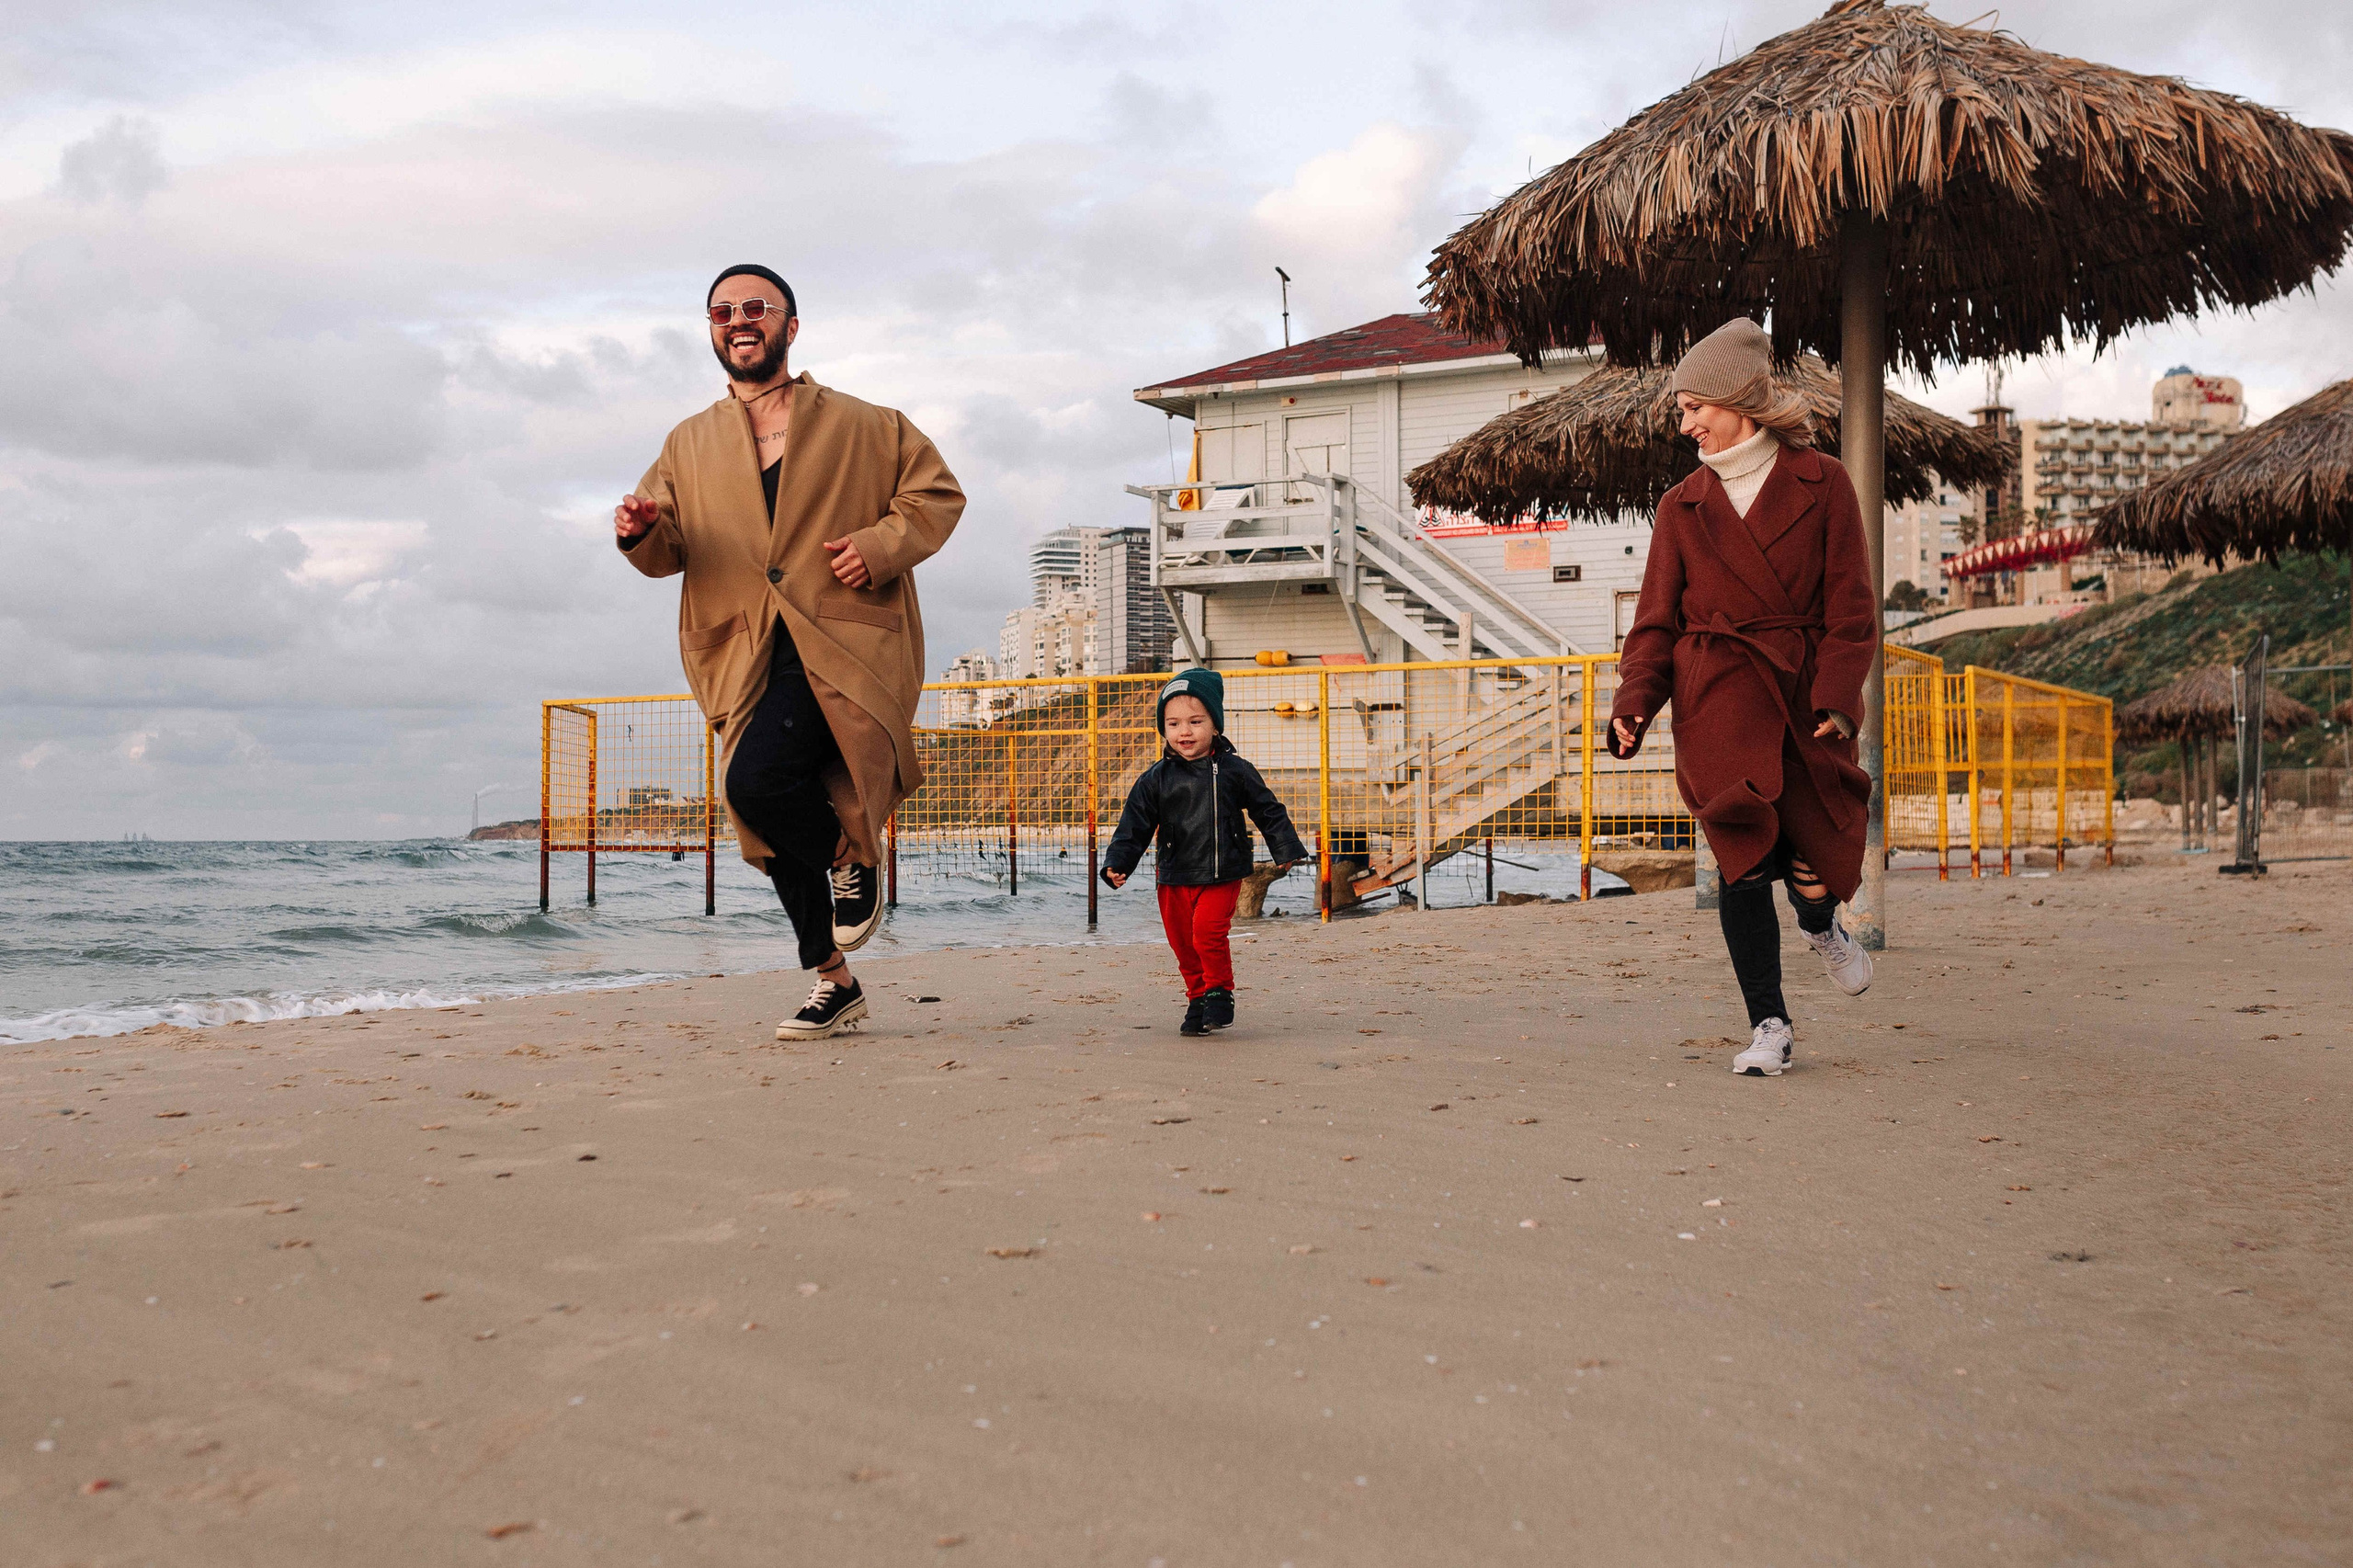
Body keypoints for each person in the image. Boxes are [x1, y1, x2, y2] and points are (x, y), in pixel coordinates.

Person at [615, 264, 963, 1040]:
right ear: (712, 330)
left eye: (756, 308)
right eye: (722, 311)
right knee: (761, 814)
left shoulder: (869, 424)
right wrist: (639, 531)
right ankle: (834, 982)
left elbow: (937, 496)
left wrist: (878, 545)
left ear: (790, 327)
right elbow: (668, 544)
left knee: (756, 783)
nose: (739, 320)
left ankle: (851, 855)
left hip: (841, 636)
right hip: (742, 647)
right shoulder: (688, 441)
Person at [1607, 316, 1878, 1077]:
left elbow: (1851, 607)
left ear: (1737, 400)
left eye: (1694, 404)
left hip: (1801, 698)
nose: (1684, 421)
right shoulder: (1681, 506)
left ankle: (1824, 925)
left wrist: (1837, 696)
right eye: (1682, 408)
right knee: (1741, 861)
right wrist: (1635, 702)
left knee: (1810, 860)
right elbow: (1655, 623)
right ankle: (1770, 1024)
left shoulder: (1824, 483)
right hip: (1717, 699)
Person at [1102, 669, 1309, 1036]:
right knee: (1183, 944)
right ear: (1163, 729)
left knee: (1207, 934)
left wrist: (1285, 847)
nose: (1185, 732)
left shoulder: (1235, 770)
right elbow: (1134, 824)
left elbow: (1268, 809)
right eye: (1174, 723)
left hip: (1222, 872)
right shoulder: (1156, 779)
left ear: (1215, 725)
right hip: (1174, 875)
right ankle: (1197, 998)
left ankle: (1219, 992)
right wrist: (1119, 862)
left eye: (1196, 722)